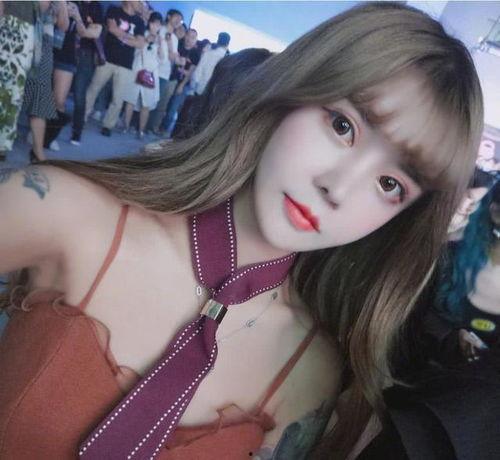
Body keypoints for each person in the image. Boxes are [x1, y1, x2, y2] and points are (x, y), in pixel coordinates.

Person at [0, 3, 483, 459]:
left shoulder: (311, 369)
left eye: (389, 184)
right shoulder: (68, 210)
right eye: (342, 125)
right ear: (296, 88)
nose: (337, 188)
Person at [45, 1, 103, 150]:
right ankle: (38, 131)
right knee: (43, 94)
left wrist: (77, 16)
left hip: (69, 53)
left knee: (61, 100)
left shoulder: (88, 7)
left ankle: (52, 136)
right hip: (48, 46)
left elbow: (85, 32)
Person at [84, 0, 145, 137]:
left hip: (126, 64)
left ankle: (108, 125)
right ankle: (82, 116)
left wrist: (121, 34)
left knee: (118, 97)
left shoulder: (140, 22)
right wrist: (131, 37)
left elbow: (140, 43)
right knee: (94, 88)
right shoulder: (114, 10)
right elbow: (111, 28)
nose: (140, 3)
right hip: (108, 58)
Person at [21, 0, 69, 162]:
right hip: (19, 36)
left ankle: (37, 151)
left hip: (44, 47)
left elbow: (63, 26)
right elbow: (37, 8)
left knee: (39, 98)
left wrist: (62, 3)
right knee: (8, 90)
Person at [0, 1, 36, 161]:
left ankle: (3, 143)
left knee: (14, 92)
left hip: (25, 33)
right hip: (7, 26)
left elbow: (42, 8)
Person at [123, 12, 163, 138]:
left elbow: (162, 58)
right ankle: (125, 126)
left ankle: (141, 130)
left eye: (158, 24)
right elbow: (134, 50)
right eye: (153, 23)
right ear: (149, 23)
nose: (155, 26)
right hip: (137, 69)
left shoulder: (160, 39)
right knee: (131, 99)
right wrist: (146, 41)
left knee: (146, 103)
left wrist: (160, 44)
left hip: (151, 73)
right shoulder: (141, 33)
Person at [146, 8, 183, 135]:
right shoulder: (159, 29)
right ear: (168, 16)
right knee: (145, 98)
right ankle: (137, 124)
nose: (178, 21)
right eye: (176, 17)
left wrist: (172, 49)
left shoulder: (175, 38)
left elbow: (173, 58)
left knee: (157, 102)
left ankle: (148, 127)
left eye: (180, 20)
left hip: (165, 73)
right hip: (151, 68)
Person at [162, 28, 201, 137]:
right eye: (188, 35)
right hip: (170, 79)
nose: (189, 39)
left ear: (195, 40)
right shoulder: (178, 45)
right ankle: (157, 125)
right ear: (185, 35)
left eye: (193, 37)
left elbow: (190, 72)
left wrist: (182, 85)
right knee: (163, 103)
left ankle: (164, 129)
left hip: (183, 84)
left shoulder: (195, 54)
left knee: (173, 107)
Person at [192, 32, 231, 96]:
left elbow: (199, 68)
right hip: (212, 91)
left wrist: (194, 84)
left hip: (200, 87)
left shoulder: (209, 50)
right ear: (228, 43)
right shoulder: (226, 57)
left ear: (218, 40)